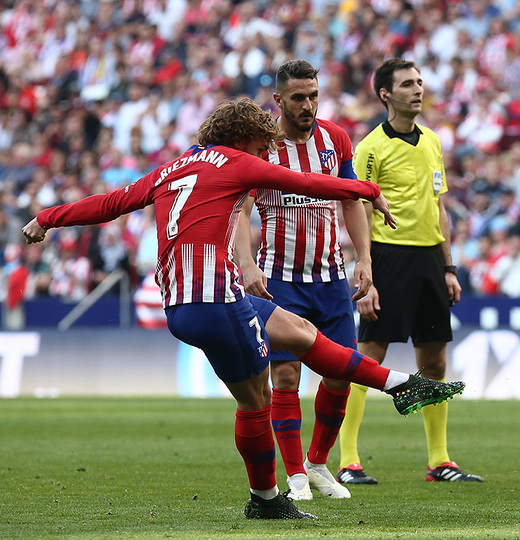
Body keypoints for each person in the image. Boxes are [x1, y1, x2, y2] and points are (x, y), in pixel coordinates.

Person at [22, 97, 466, 520]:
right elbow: (308, 183)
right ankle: (266, 499)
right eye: (261, 146)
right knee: (257, 401)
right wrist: (367, 188)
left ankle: (399, 384)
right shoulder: (237, 161)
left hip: (187, 301)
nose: (265, 154)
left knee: (298, 333)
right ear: (243, 139)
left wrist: (47, 218)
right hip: (215, 301)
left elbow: (109, 204)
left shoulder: (172, 168)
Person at [337, 58, 483, 484]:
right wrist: (366, 272)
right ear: (386, 94)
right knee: (369, 359)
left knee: (434, 359)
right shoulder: (369, 148)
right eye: (407, 84)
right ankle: (348, 461)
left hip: (429, 262)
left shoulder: (433, 142)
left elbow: (439, 208)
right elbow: (359, 208)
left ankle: (439, 461)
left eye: (420, 82)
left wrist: (449, 267)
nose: (418, 89)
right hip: (387, 256)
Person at [235, 60, 366, 501]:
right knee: (286, 375)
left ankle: (317, 463)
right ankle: (294, 476)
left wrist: (364, 258)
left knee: (340, 374)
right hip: (280, 280)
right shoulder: (261, 146)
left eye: (313, 95)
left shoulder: (336, 139)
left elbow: (351, 200)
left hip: (331, 278)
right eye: (298, 97)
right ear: (278, 100)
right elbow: (240, 210)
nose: (307, 105)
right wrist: (247, 264)